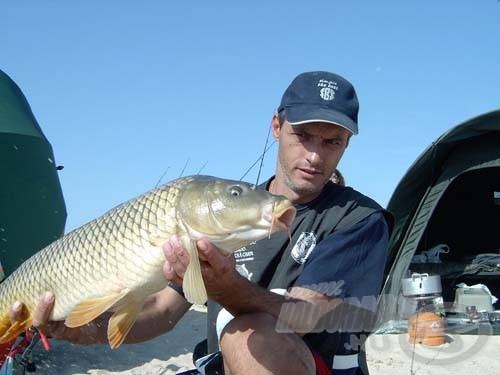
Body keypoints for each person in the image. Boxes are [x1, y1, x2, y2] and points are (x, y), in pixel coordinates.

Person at [10, 71, 392, 375]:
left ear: (346, 144)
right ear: (277, 126)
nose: (313, 155)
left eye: (332, 142)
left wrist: (225, 286)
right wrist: (87, 331)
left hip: (309, 366)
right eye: (303, 136)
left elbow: (304, 316)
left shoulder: (360, 220)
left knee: (250, 335)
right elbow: (161, 312)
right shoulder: (223, 215)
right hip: (221, 366)